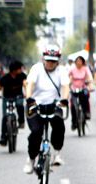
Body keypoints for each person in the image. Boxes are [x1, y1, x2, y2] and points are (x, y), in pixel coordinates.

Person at [23, 44, 69, 173]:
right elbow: (30, 84)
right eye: (48, 60)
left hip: (55, 104)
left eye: (53, 61)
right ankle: (31, 160)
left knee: (59, 126)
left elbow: (65, 86)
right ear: (43, 59)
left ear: (58, 61)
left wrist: (64, 99)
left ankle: (57, 154)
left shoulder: (62, 71)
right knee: (36, 132)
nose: (50, 63)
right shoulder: (36, 69)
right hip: (35, 105)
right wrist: (29, 98)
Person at [0, 60, 27, 146]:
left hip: (18, 96)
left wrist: (27, 92)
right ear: (14, 70)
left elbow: (25, 84)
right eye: (20, 69)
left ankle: (21, 122)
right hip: (6, 98)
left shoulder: (22, 76)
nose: (21, 70)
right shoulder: (5, 78)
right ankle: (3, 137)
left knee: (20, 105)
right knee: (5, 116)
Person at [68, 55, 93, 130]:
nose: (78, 63)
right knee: (73, 105)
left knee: (86, 98)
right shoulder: (72, 69)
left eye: (80, 61)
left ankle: (86, 113)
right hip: (74, 89)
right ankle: (74, 122)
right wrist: (67, 84)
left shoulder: (85, 69)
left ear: (82, 62)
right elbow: (67, 77)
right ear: (75, 62)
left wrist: (90, 85)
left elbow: (89, 77)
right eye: (77, 61)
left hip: (83, 88)